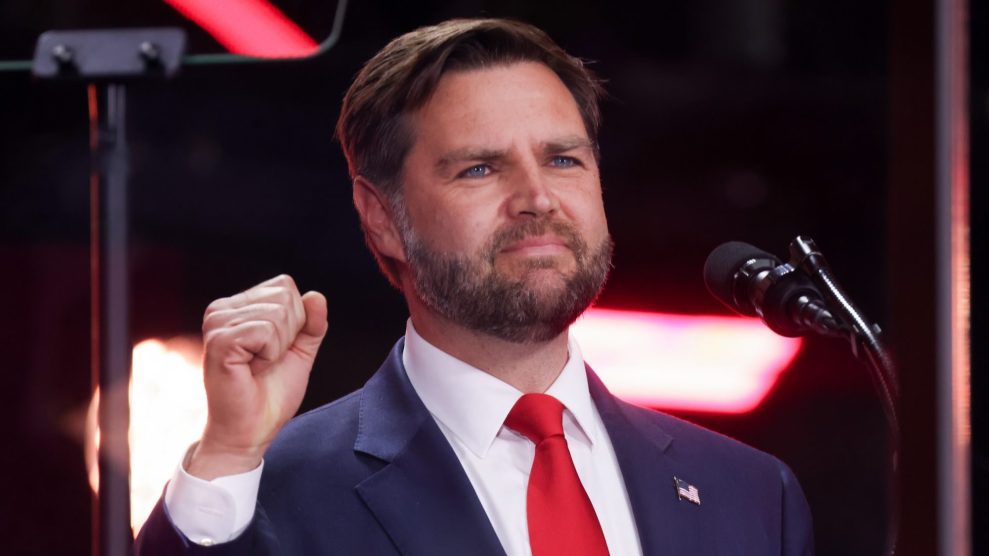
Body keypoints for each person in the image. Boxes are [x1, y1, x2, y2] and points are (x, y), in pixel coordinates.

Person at [135, 18, 813, 555]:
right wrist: (227, 458)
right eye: (480, 169)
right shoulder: (275, 490)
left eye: (563, 159)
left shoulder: (749, 492)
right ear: (381, 218)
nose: (538, 198)